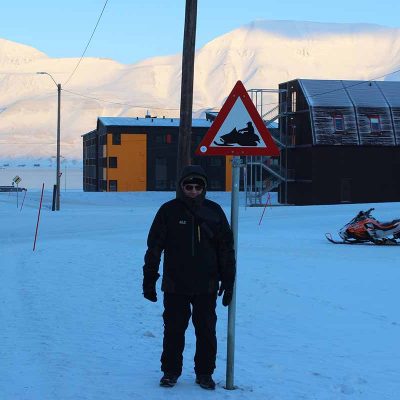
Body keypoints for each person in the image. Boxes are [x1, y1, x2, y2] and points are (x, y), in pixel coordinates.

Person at [142, 165, 236, 390]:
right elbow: (154, 247)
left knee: (206, 330)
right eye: (188, 186)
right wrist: (149, 279)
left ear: (203, 188)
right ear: (181, 186)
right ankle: (170, 372)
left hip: (207, 284)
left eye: (197, 187)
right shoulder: (168, 211)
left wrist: (228, 280)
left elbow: (226, 249)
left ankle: (205, 373)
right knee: (173, 330)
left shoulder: (214, 212)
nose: (193, 191)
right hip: (175, 284)